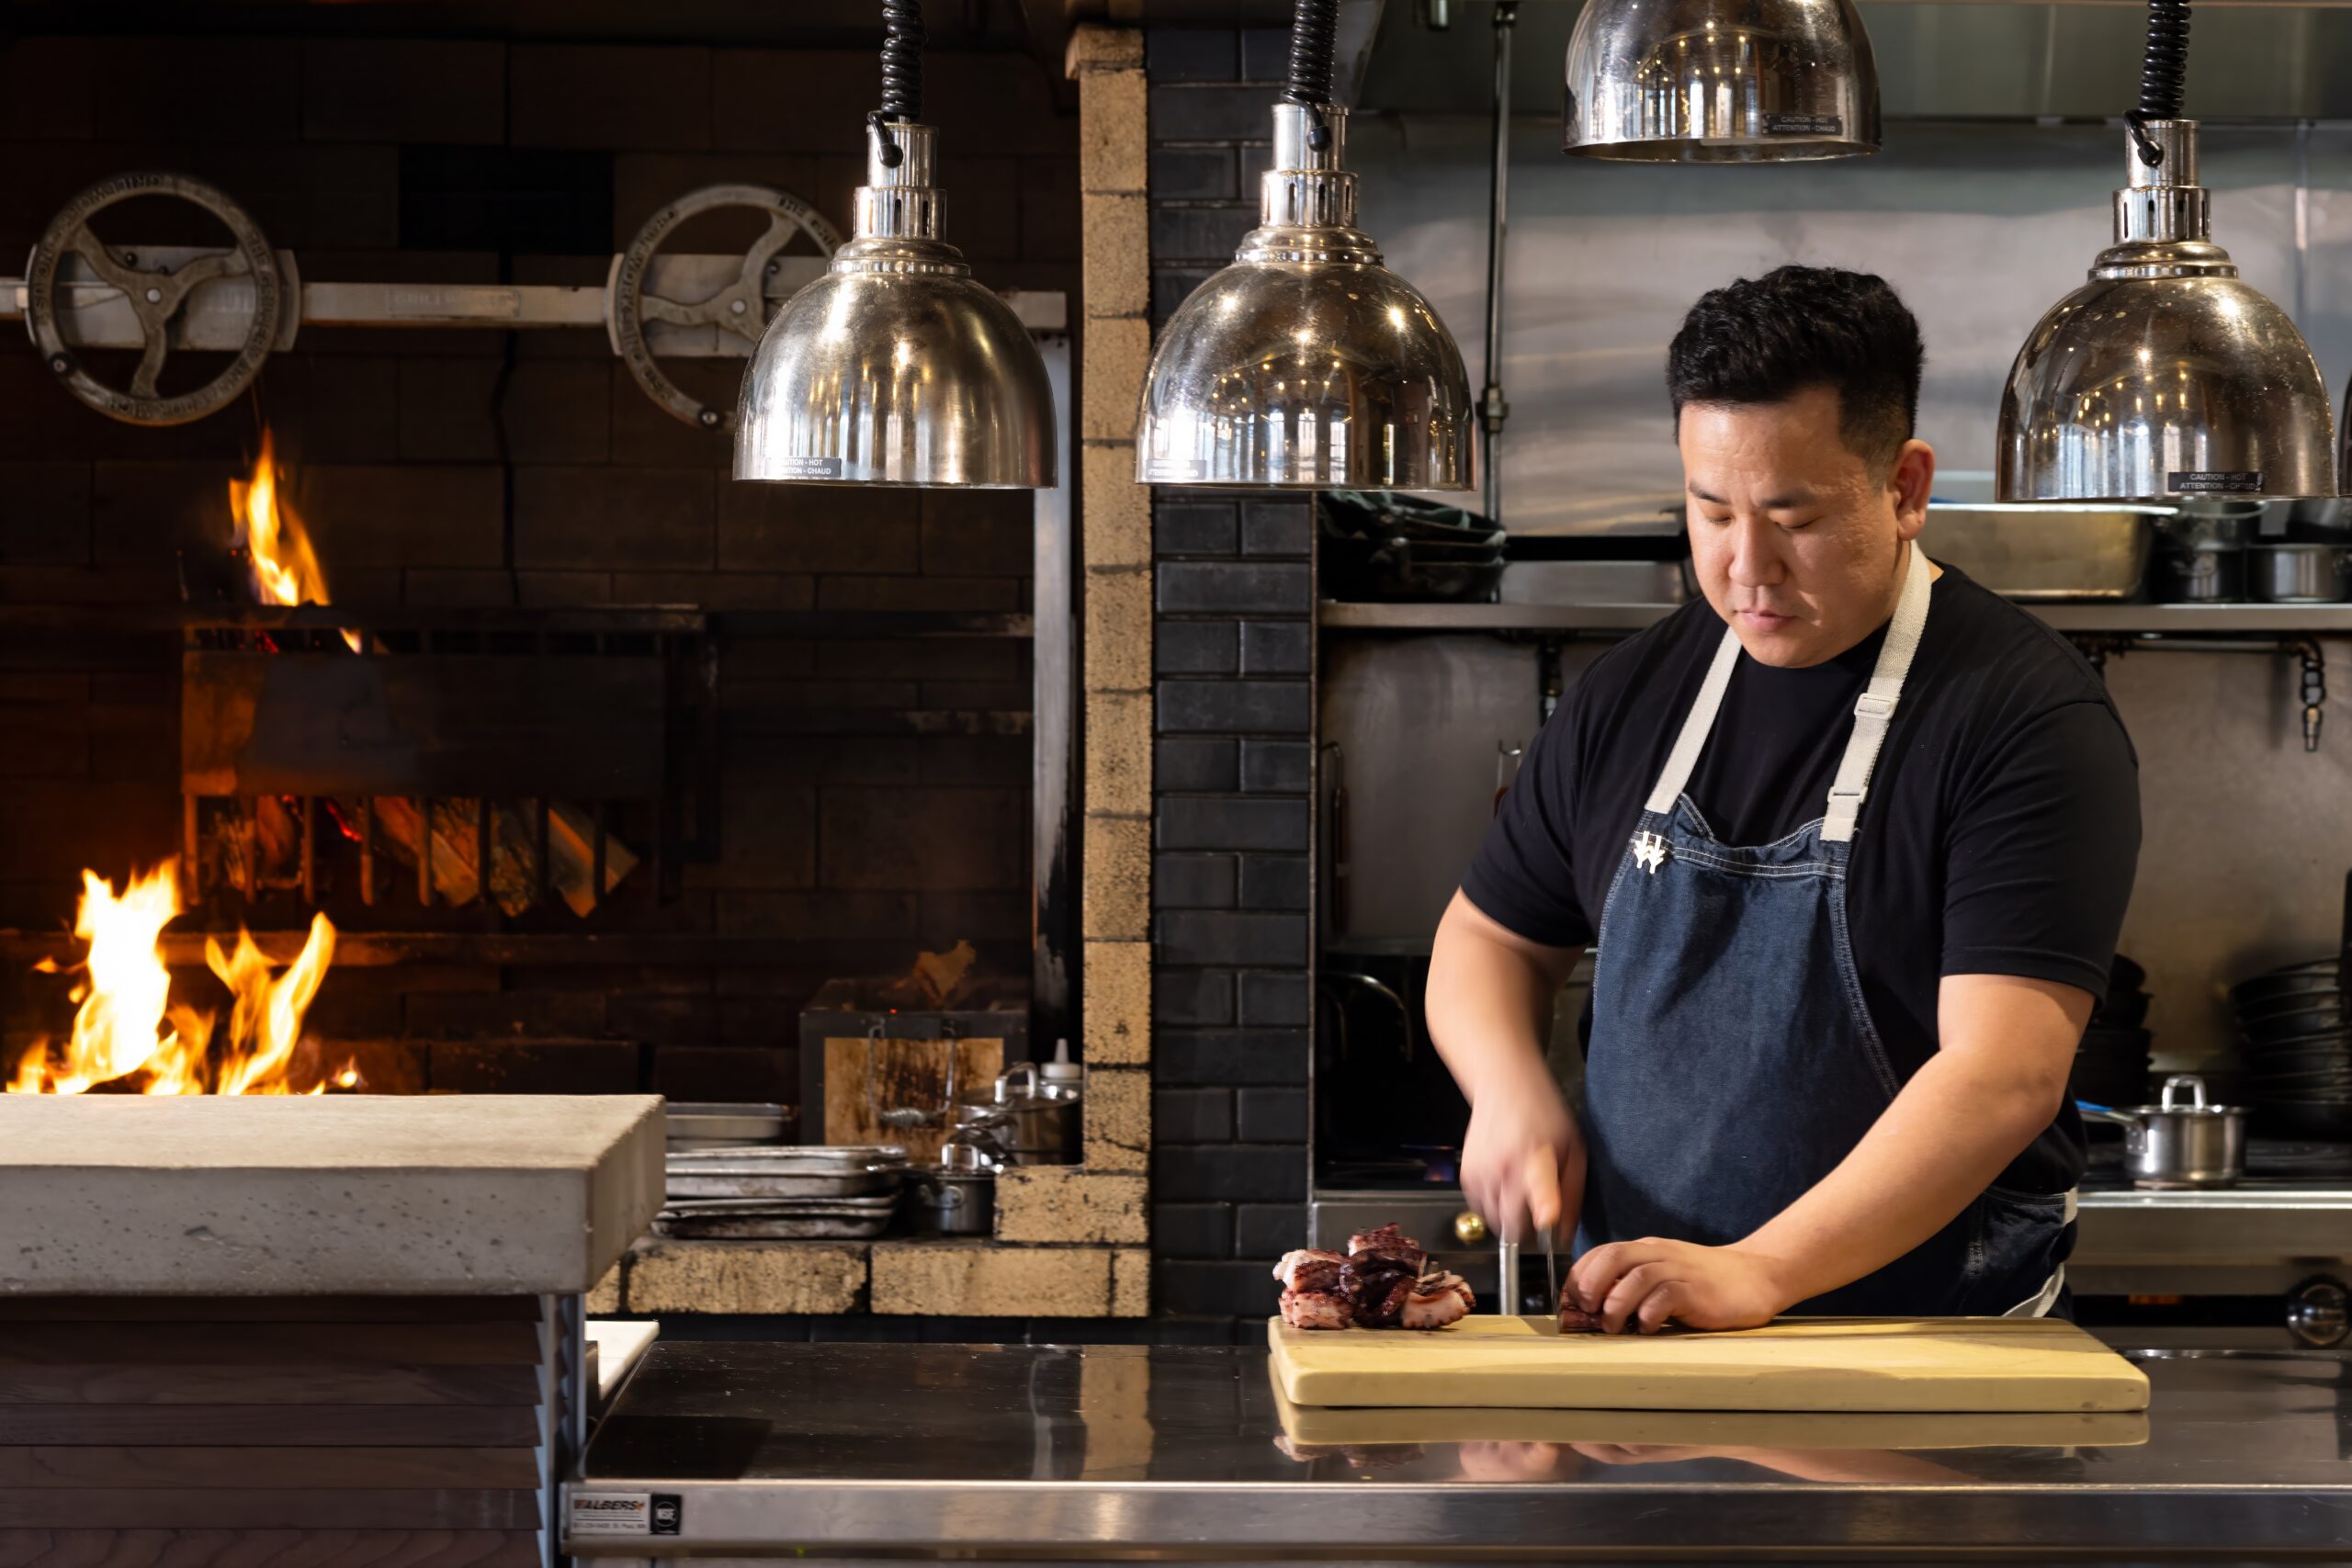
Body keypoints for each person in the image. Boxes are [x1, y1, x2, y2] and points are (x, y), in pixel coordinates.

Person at [1427, 265, 2140, 1332]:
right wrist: (1507, 1088)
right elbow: (1489, 938)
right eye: (1710, 511)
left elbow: (2003, 1073)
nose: (1745, 567)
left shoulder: (2023, 718)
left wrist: (1760, 1270)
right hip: (1646, 1331)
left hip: (1926, 1347)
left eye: (1790, 516)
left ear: (1904, 488)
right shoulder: (1633, 694)